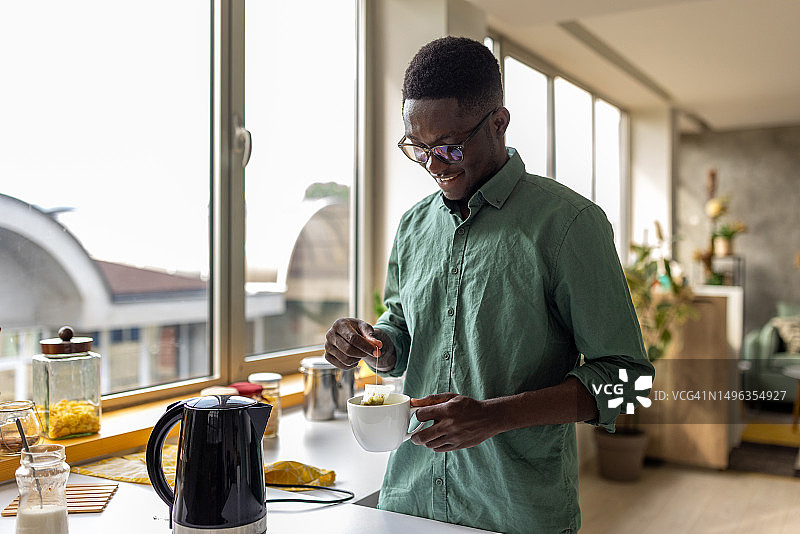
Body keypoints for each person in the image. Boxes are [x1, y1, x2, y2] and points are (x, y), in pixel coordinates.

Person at [324, 36, 654, 534]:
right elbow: (402, 333)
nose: (434, 165)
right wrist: (374, 344)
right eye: (418, 148)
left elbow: (629, 384)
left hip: (515, 514)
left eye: (449, 146)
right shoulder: (413, 226)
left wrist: (493, 416)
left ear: (498, 123)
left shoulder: (569, 224)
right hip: (409, 502)